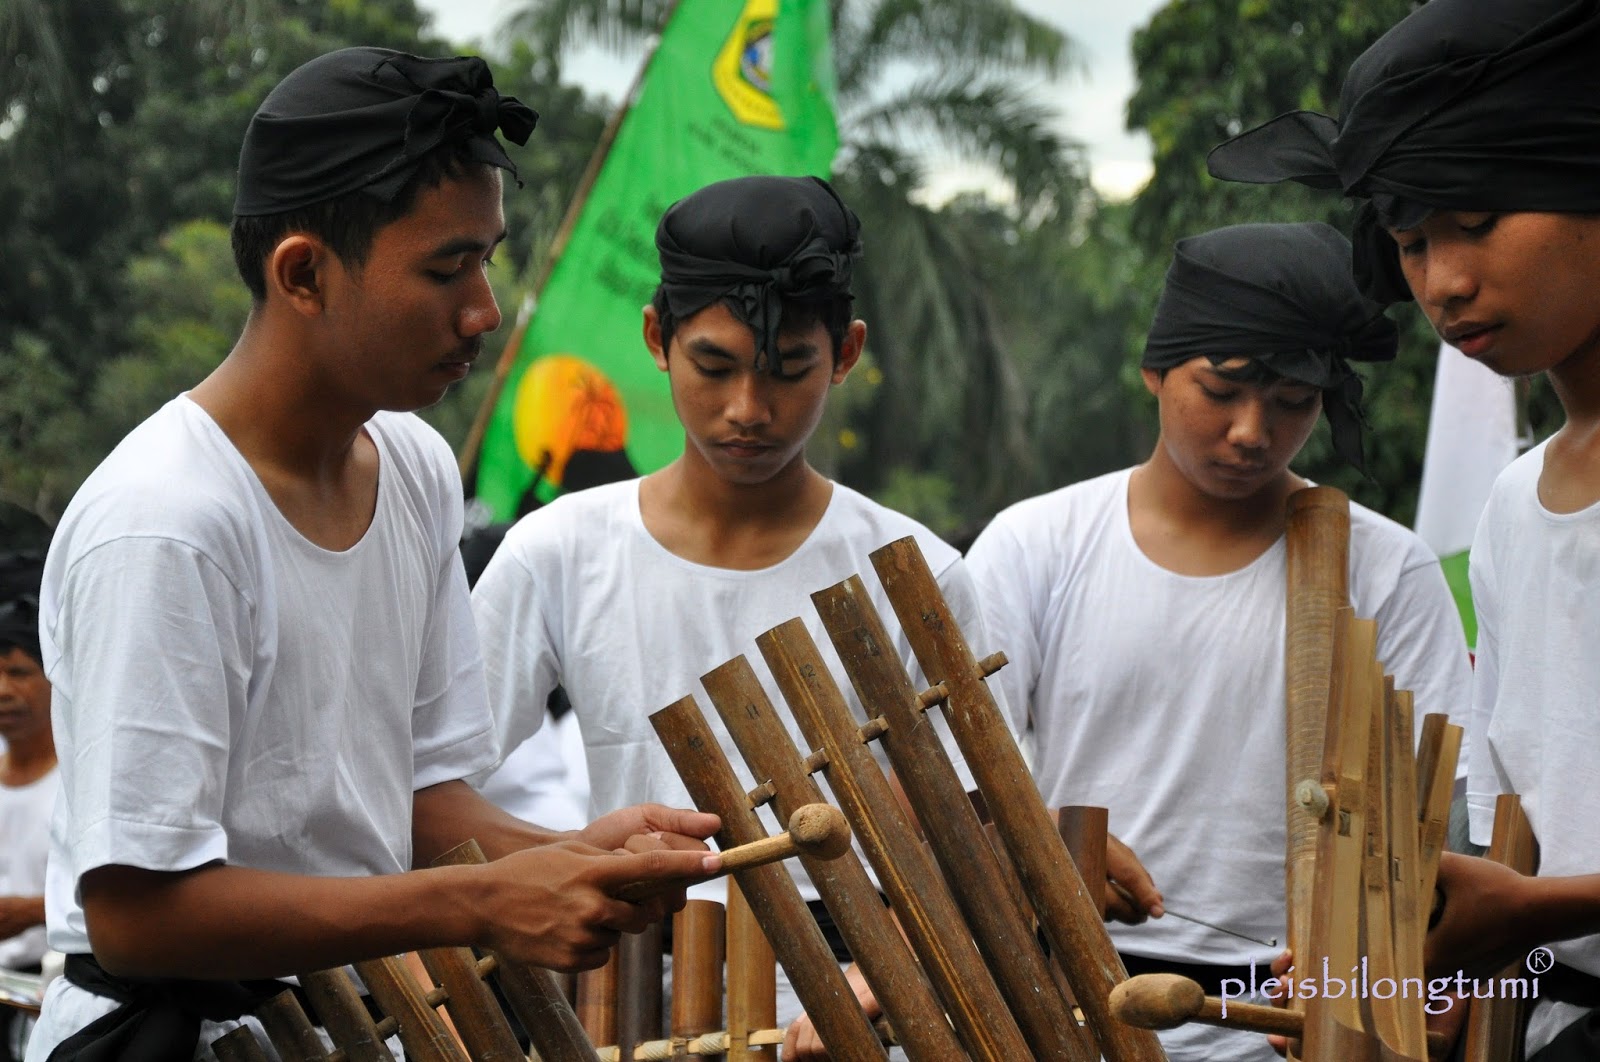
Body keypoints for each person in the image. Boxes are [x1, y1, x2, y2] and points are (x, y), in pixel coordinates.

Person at [28, 46, 720, 1061]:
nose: (483, 309)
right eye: (446, 269)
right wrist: (482, 899)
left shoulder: (415, 466)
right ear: (304, 273)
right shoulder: (167, 523)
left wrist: (570, 856)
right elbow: (140, 917)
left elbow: (417, 800)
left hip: (350, 1028)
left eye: (486, 261)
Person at [470, 174, 1013, 1059]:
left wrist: (894, 969)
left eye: (789, 369)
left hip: (852, 1004)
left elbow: (980, 823)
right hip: (623, 997)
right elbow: (436, 784)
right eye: (714, 367)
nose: (748, 410)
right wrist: (569, 864)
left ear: (845, 352)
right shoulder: (558, 551)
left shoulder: (912, 574)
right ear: (657, 338)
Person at [964, 221, 1474, 1062]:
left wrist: (1387, 970)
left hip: (1297, 1023)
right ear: (1155, 369)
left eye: (1293, 401)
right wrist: (1034, 835)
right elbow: (946, 774)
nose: (1251, 431)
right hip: (1068, 1009)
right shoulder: (1037, 545)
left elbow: (1440, 822)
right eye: (1222, 389)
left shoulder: (1386, 568)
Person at [1208, 2, 1600, 1057]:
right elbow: (1522, 827)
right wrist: (1438, 955)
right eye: (1411, 241)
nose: (1442, 282)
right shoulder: (1513, 508)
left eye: (1476, 219)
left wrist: (1532, 913)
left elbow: (1534, 895)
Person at [0, 588, 56, 1062]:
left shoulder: (79, 781)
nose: (2, 690)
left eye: (18, 672)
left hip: (48, 996)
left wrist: (37, 909)